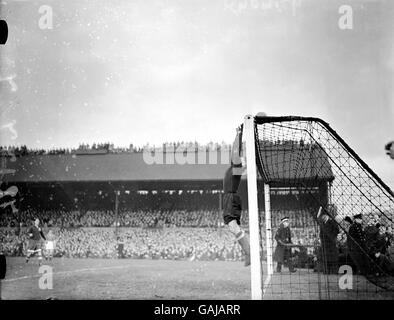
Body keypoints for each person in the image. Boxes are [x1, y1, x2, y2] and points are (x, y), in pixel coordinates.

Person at [222, 126, 250, 266]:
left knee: (233, 227)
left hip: (230, 198)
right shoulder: (235, 168)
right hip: (230, 198)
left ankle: (249, 250)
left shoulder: (237, 167)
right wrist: (237, 135)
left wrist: (239, 134)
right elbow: (235, 151)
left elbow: (235, 151)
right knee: (233, 227)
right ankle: (249, 249)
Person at [316, 206, 340, 274]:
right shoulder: (322, 223)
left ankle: (334, 271)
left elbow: (337, 230)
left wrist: (332, 236)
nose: (322, 217)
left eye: (323, 216)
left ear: (326, 216)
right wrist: (320, 209)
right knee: (325, 258)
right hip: (324, 243)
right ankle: (326, 271)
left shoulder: (332, 222)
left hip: (331, 242)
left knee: (332, 258)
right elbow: (317, 217)